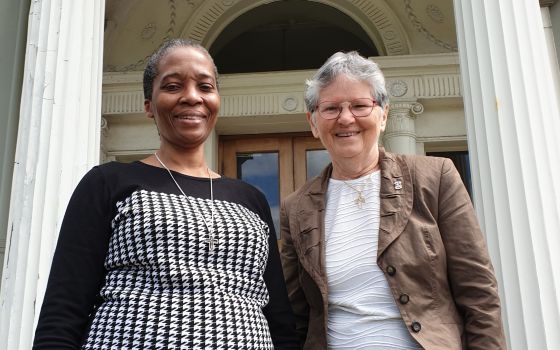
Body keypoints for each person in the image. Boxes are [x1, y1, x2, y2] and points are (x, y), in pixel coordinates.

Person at [33, 38, 298, 349]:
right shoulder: (109, 182)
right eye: (173, 86)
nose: (191, 97)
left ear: (217, 100)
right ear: (149, 105)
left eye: (205, 86)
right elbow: (64, 310)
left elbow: (279, 319)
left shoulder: (250, 199)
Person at [280, 51, 506, 350]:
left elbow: (479, 293)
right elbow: (296, 316)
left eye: (360, 105)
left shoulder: (435, 177)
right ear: (313, 122)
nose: (346, 118)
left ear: (383, 114)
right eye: (331, 108)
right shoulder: (295, 208)